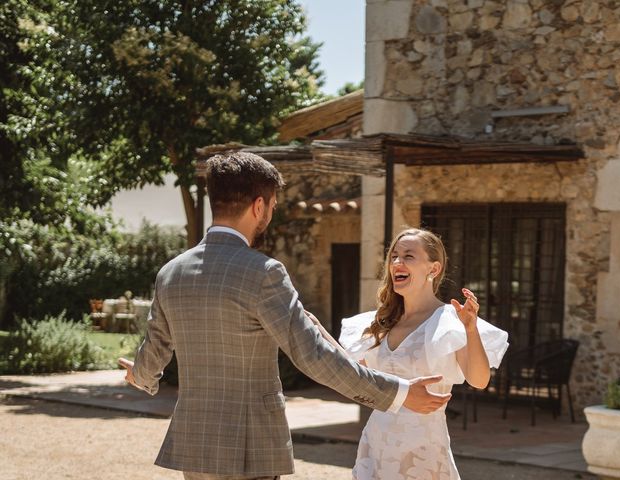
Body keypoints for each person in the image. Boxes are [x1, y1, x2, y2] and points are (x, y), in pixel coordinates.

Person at [118, 152, 452, 480]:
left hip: (194, 444)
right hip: (251, 448)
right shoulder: (263, 272)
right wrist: (399, 393)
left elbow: (154, 351)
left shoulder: (171, 273)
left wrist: (141, 375)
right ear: (258, 205)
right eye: (273, 206)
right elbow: (314, 356)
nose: (271, 214)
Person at [324, 228, 509, 480]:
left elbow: (479, 380)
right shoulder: (378, 323)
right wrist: (314, 329)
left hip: (423, 454)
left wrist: (470, 329)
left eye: (409, 256)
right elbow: (352, 374)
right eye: (394, 256)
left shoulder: (450, 322)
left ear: (433, 269)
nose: (397, 262)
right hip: (375, 446)